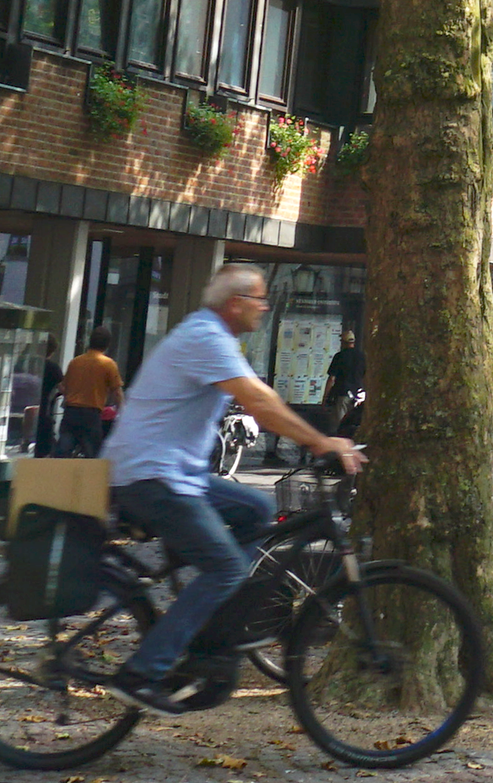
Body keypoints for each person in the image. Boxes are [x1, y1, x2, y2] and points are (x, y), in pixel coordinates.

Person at [102, 265, 365, 715]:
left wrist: (318, 435)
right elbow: (258, 403)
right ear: (234, 304)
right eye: (259, 299)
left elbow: (263, 395)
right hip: (150, 475)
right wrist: (321, 441)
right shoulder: (205, 337)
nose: (265, 306)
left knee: (256, 509)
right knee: (224, 567)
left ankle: (208, 626)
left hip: (177, 473)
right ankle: (142, 672)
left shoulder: (217, 339)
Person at [58, 324, 125, 458]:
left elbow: (62, 386)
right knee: (92, 455)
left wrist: (72, 395)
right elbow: (117, 392)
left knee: (62, 454)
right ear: (107, 345)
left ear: (90, 341)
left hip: (71, 412)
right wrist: (123, 412)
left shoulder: (75, 362)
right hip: (91, 415)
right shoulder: (108, 364)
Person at [321, 329, 364, 432]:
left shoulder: (339, 356)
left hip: (342, 394)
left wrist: (325, 397)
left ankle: (340, 445)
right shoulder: (362, 356)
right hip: (358, 396)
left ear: (343, 342)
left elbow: (332, 378)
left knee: (340, 426)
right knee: (355, 424)